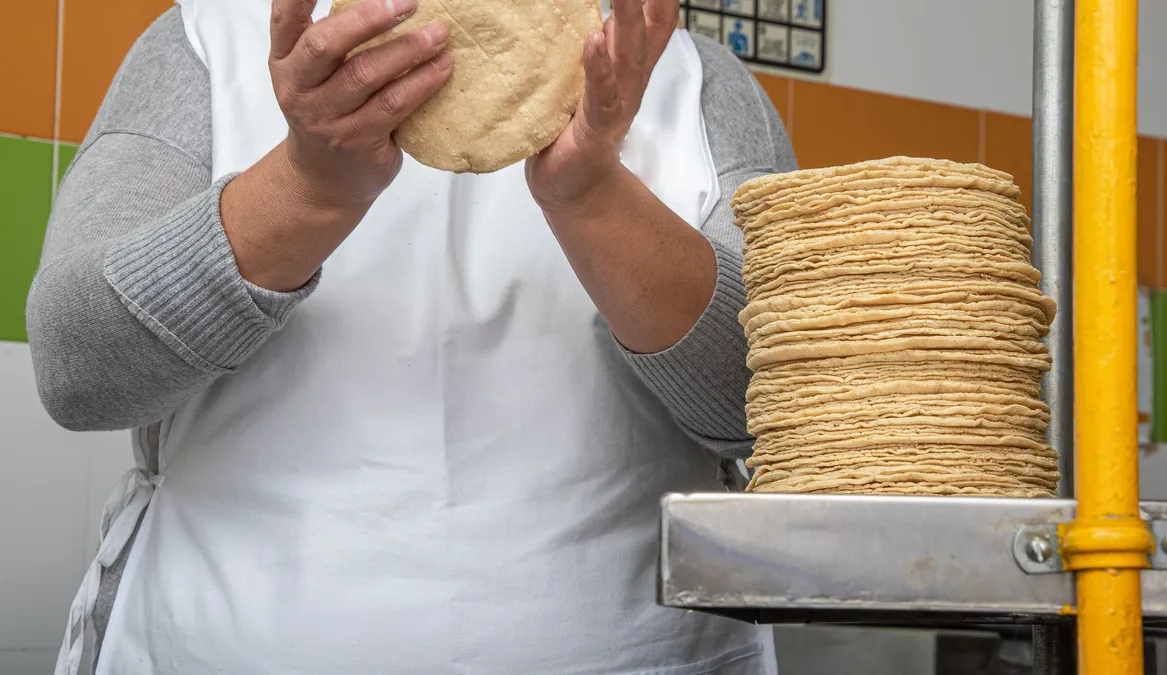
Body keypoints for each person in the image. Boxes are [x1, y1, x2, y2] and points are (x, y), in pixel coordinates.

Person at [27, 0, 796, 672]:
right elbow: (78, 369)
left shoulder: (694, 82)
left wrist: (592, 196)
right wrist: (308, 185)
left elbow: (767, 411)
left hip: (640, 651)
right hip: (221, 639)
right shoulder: (205, 40)